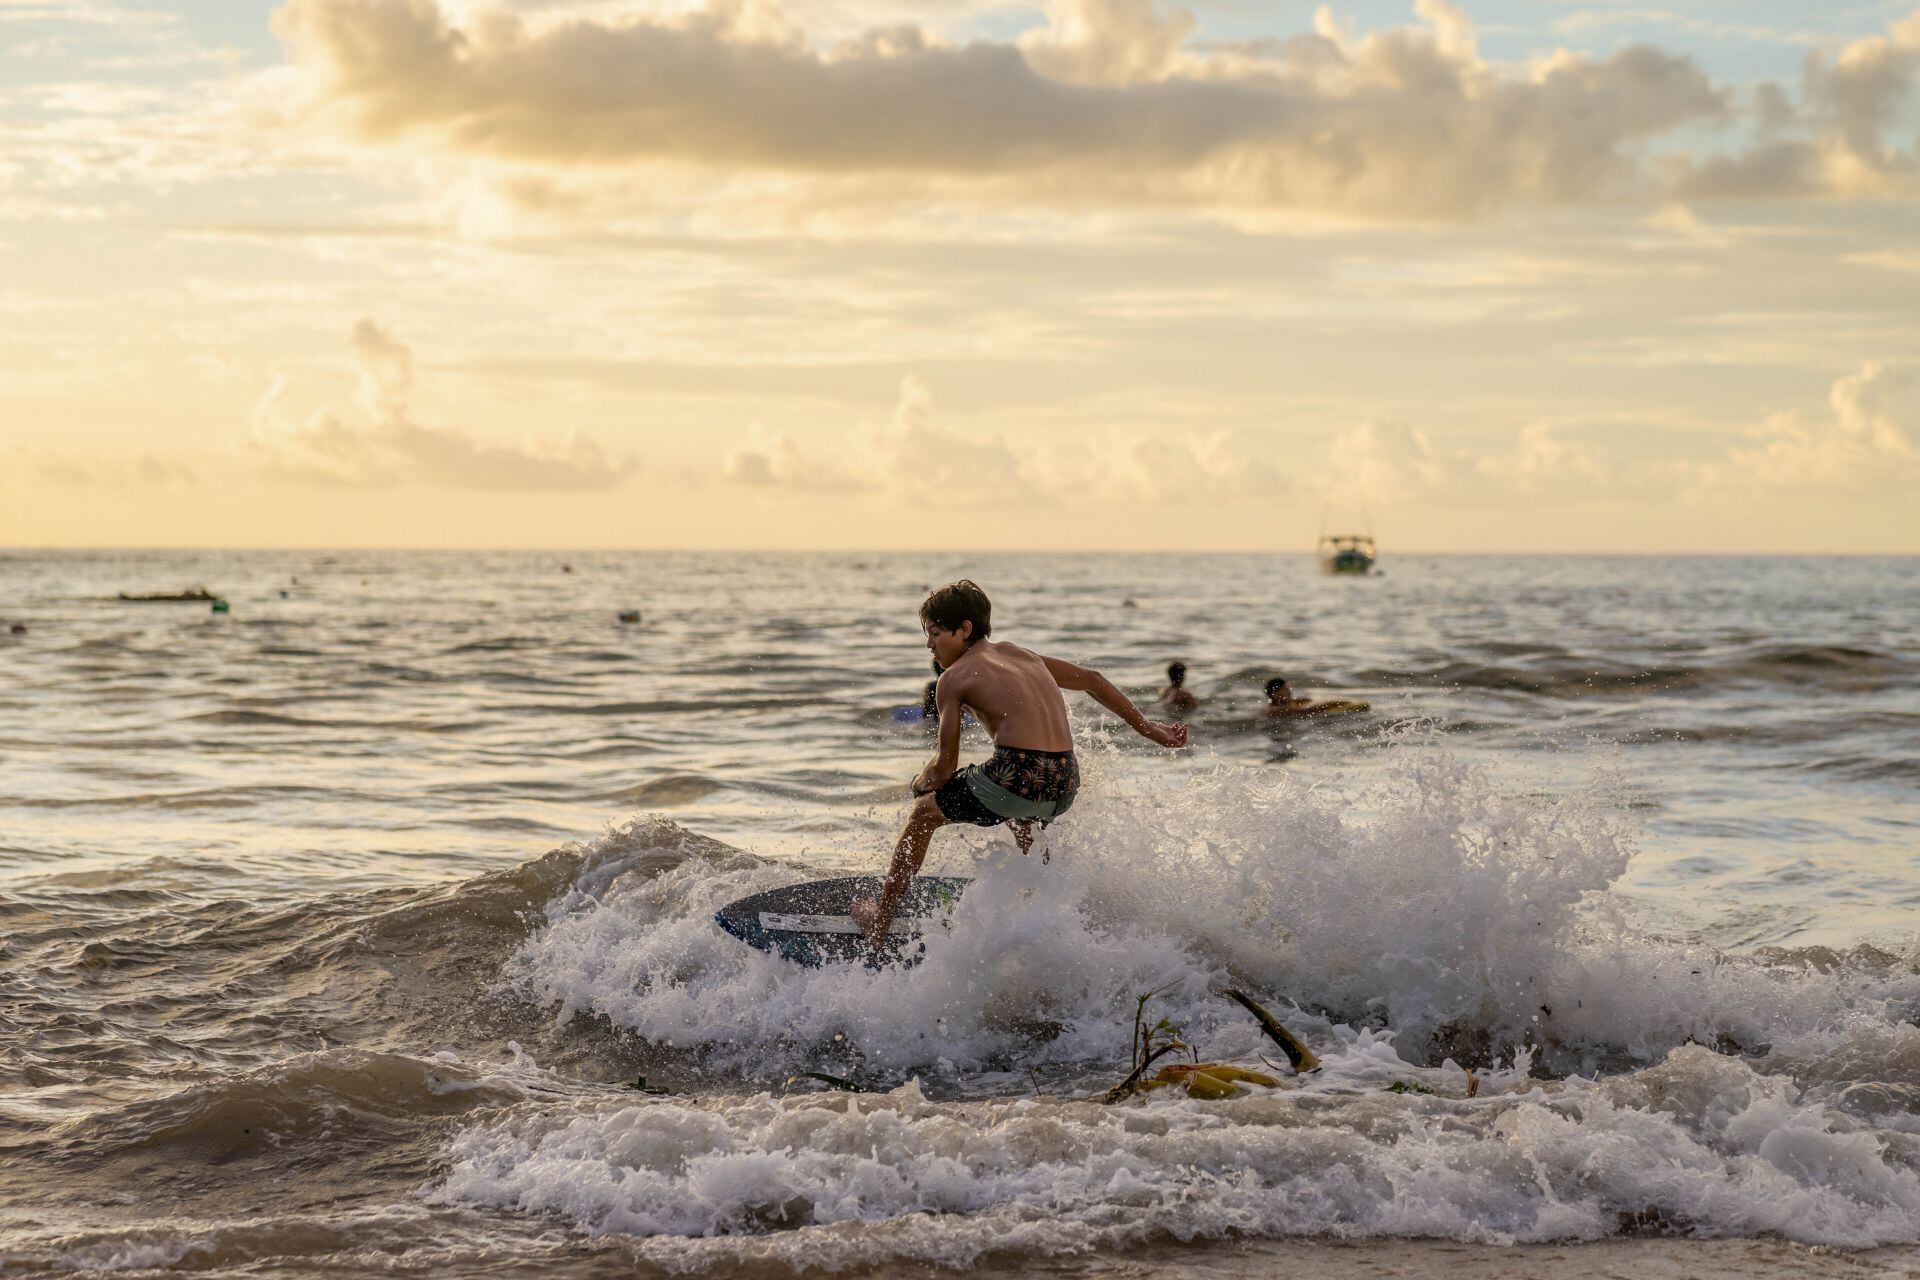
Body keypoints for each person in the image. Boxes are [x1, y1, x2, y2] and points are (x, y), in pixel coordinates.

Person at [850, 580, 1187, 950]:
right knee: (1021, 813)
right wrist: (1149, 729)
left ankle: (879, 921)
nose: (929, 643)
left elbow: (945, 767)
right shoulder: (1025, 656)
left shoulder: (953, 679)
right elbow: (1093, 680)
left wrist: (922, 781)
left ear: (964, 629)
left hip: (1017, 776)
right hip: (1065, 780)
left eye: (934, 633)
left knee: (923, 814)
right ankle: (1044, 907)